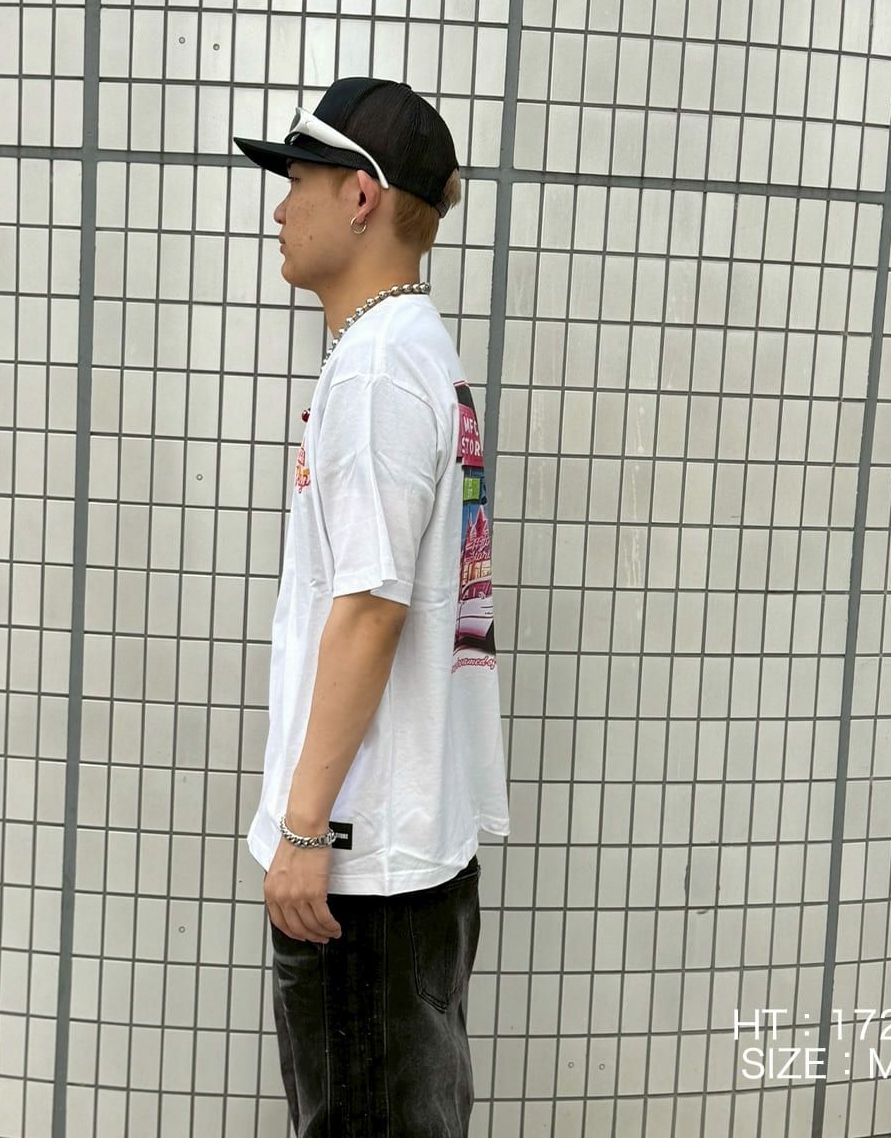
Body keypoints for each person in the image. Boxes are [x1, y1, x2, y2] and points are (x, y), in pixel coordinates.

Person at [232, 77, 510, 1137]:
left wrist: (304, 830)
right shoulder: (410, 352)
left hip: (361, 869)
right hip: (402, 852)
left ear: (360, 196)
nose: (279, 208)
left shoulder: (378, 370)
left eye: (295, 181)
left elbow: (369, 611)